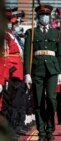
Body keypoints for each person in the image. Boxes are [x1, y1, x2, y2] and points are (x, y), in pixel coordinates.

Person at [23, 4, 61, 141]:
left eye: (46, 15)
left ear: (50, 17)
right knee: (38, 102)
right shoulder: (31, 33)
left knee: (52, 100)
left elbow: (60, 55)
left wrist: (60, 72)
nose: (44, 17)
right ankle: (42, 131)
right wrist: (27, 73)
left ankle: (50, 129)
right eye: (42, 15)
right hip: (37, 70)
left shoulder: (56, 33)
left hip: (52, 70)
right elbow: (27, 54)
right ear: (38, 17)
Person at [0, 7, 27, 138]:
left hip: (18, 71)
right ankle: (11, 129)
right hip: (11, 71)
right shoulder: (4, 35)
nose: (13, 23)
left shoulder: (11, 33)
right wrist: (5, 74)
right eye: (10, 20)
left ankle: (16, 126)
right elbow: (4, 56)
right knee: (10, 103)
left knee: (17, 102)